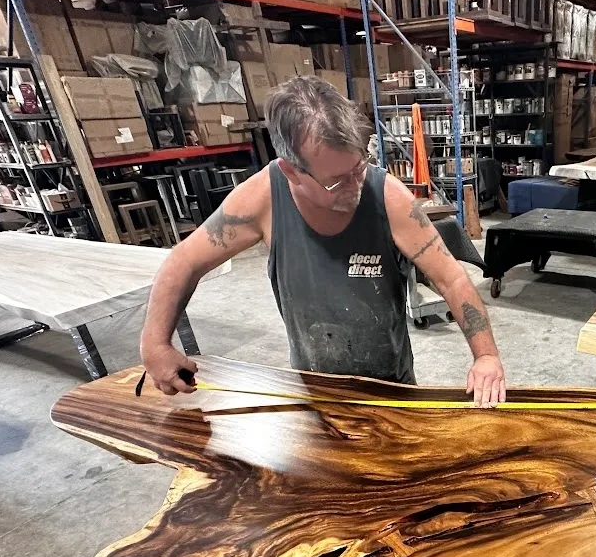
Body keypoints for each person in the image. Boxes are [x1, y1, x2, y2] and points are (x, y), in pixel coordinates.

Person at [139, 75, 507, 406]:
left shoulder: (388, 198)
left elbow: (452, 278)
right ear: (291, 171)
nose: (354, 187)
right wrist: (155, 344)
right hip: (312, 388)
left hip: (391, 389)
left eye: (359, 168)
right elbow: (183, 261)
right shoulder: (261, 200)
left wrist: (486, 355)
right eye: (336, 181)